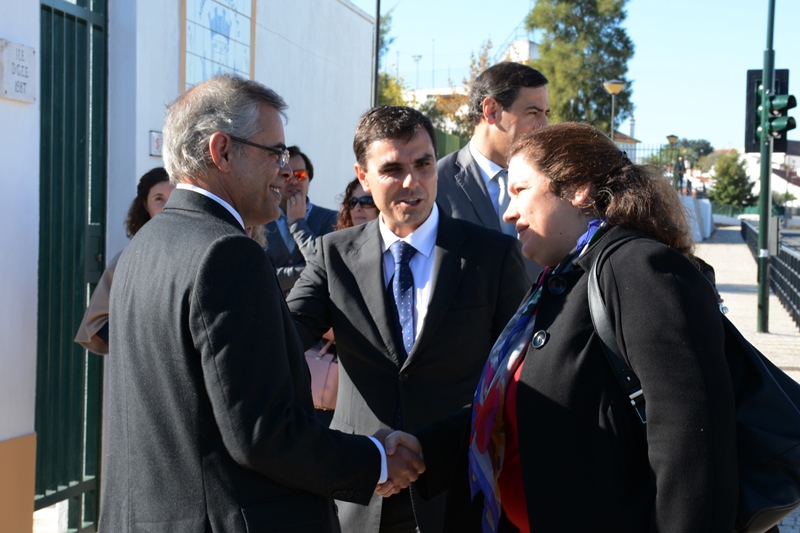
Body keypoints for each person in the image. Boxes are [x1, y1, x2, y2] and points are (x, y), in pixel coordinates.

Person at [98, 74, 424, 533]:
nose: (286, 172)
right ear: (222, 151)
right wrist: (375, 459)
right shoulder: (226, 253)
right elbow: (261, 433)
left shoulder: (145, 246)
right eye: (276, 153)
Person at [398, 122, 738, 532]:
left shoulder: (638, 268)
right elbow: (524, 403)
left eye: (520, 191)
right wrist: (425, 446)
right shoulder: (560, 279)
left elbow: (693, 444)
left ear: (578, 188)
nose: (508, 212)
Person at [286, 106, 529, 533]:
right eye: (392, 169)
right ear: (362, 176)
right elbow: (282, 336)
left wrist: (433, 447)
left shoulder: (491, 256)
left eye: (423, 164)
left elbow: (515, 378)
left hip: (460, 490)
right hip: (362, 495)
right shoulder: (333, 254)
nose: (411, 182)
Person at [436, 62, 550, 281]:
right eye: (533, 112)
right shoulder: (438, 184)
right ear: (491, 111)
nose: (544, 125)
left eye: (546, 113)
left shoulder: (553, 184)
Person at [74, 167, 174, 355]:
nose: (168, 206)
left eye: (175, 197)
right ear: (145, 205)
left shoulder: (207, 249)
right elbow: (97, 327)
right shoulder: (128, 260)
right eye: (159, 199)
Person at [265, 145, 339, 293]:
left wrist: (297, 224)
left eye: (300, 175)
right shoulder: (262, 222)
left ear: (309, 180)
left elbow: (332, 271)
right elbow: (261, 278)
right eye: (287, 176)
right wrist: (312, 271)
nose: (293, 181)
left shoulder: (331, 219)